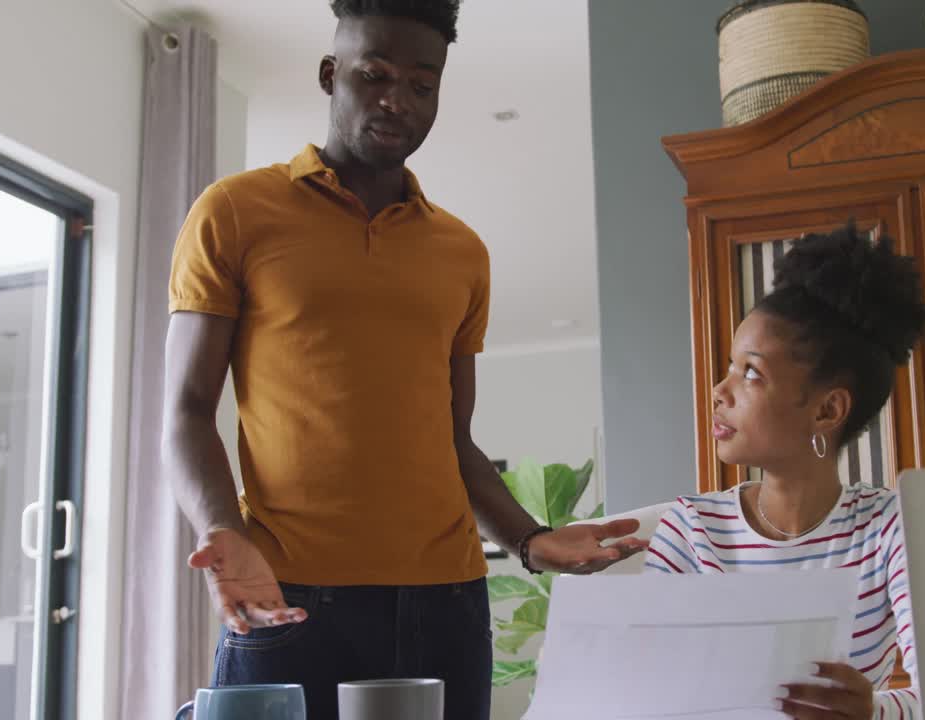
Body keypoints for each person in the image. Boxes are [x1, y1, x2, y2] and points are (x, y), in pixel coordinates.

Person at [160, 2, 645, 718]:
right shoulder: (234, 212)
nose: (399, 100)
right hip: (290, 595)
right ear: (331, 75)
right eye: (375, 74)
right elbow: (186, 411)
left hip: (444, 600)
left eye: (424, 84)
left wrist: (531, 539)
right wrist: (221, 531)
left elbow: (454, 438)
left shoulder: (461, 252)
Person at [645, 223, 925, 719]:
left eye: (750, 373)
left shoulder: (890, 528)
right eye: (729, 367)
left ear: (827, 410)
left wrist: (873, 713)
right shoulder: (691, 529)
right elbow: (648, 687)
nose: (719, 390)